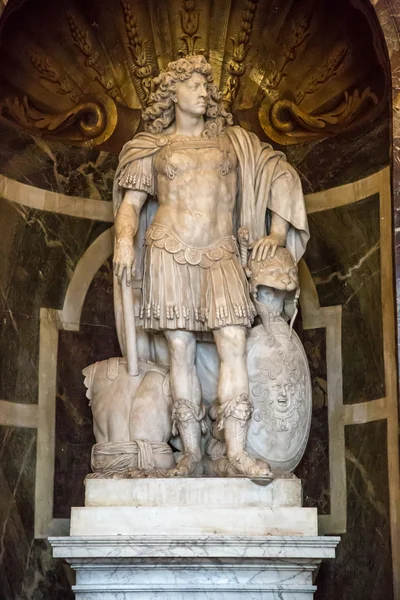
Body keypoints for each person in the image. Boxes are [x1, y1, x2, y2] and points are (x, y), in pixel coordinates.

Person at [112, 55, 309, 477]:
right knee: (179, 350)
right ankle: (190, 453)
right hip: (168, 249)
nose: (204, 93)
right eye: (195, 85)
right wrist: (124, 242)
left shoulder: (232, 143)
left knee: (233, 341)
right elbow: (130, 205)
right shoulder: (153, 147)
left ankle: (236, 451)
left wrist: (275, 234)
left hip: (221, 252)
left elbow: (278, 173)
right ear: (173, 93)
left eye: (207, 86)